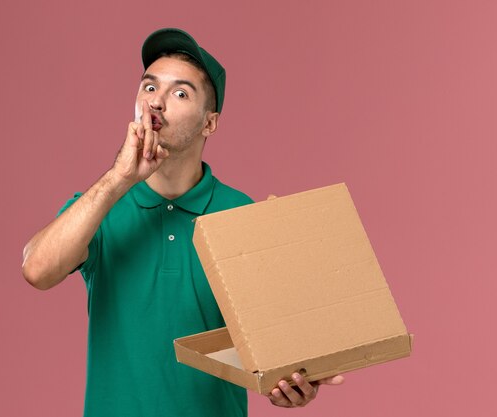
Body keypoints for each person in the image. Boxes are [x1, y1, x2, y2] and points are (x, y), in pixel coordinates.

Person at [22, 28, 343, 417]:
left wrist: (289, 384)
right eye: (149, 87)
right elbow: (36, 269)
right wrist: (118, 180)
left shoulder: (243, 214)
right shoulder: (102, 203)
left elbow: (274, 352)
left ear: (210, 124)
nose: (157, 102)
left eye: (180, 93)